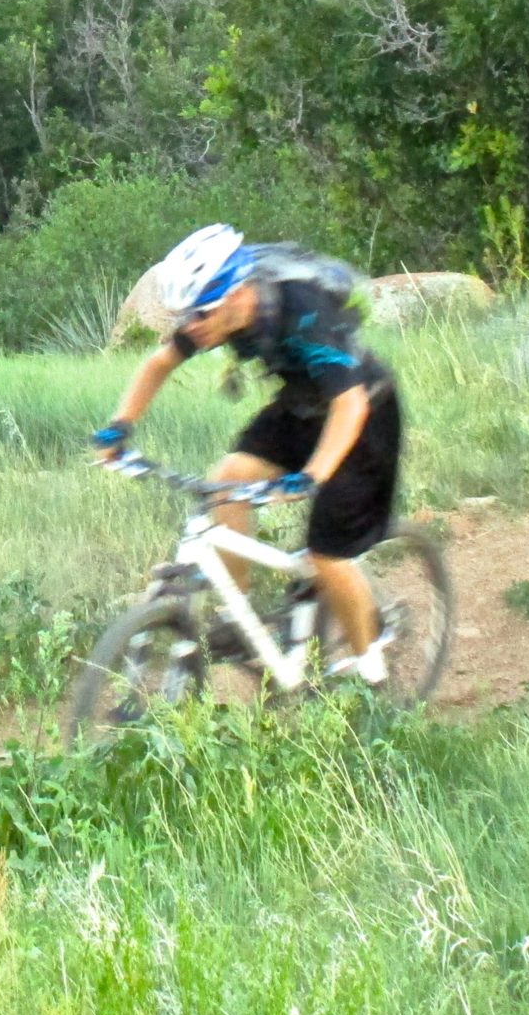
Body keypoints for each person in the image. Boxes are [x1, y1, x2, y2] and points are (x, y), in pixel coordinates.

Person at [91, 224, 402, 683]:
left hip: (364, 413)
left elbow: (349, 402)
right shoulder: (213, 313)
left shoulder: (302, 309)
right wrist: (120, 426)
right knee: (229, 478)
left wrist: (311, 475)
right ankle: (238, 619)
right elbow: (159, 363)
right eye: (186, 315)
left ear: (237, 293)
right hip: (301, 407)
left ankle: (373, 674)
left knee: (326, 556)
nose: (192, 326)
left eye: (201, 313)